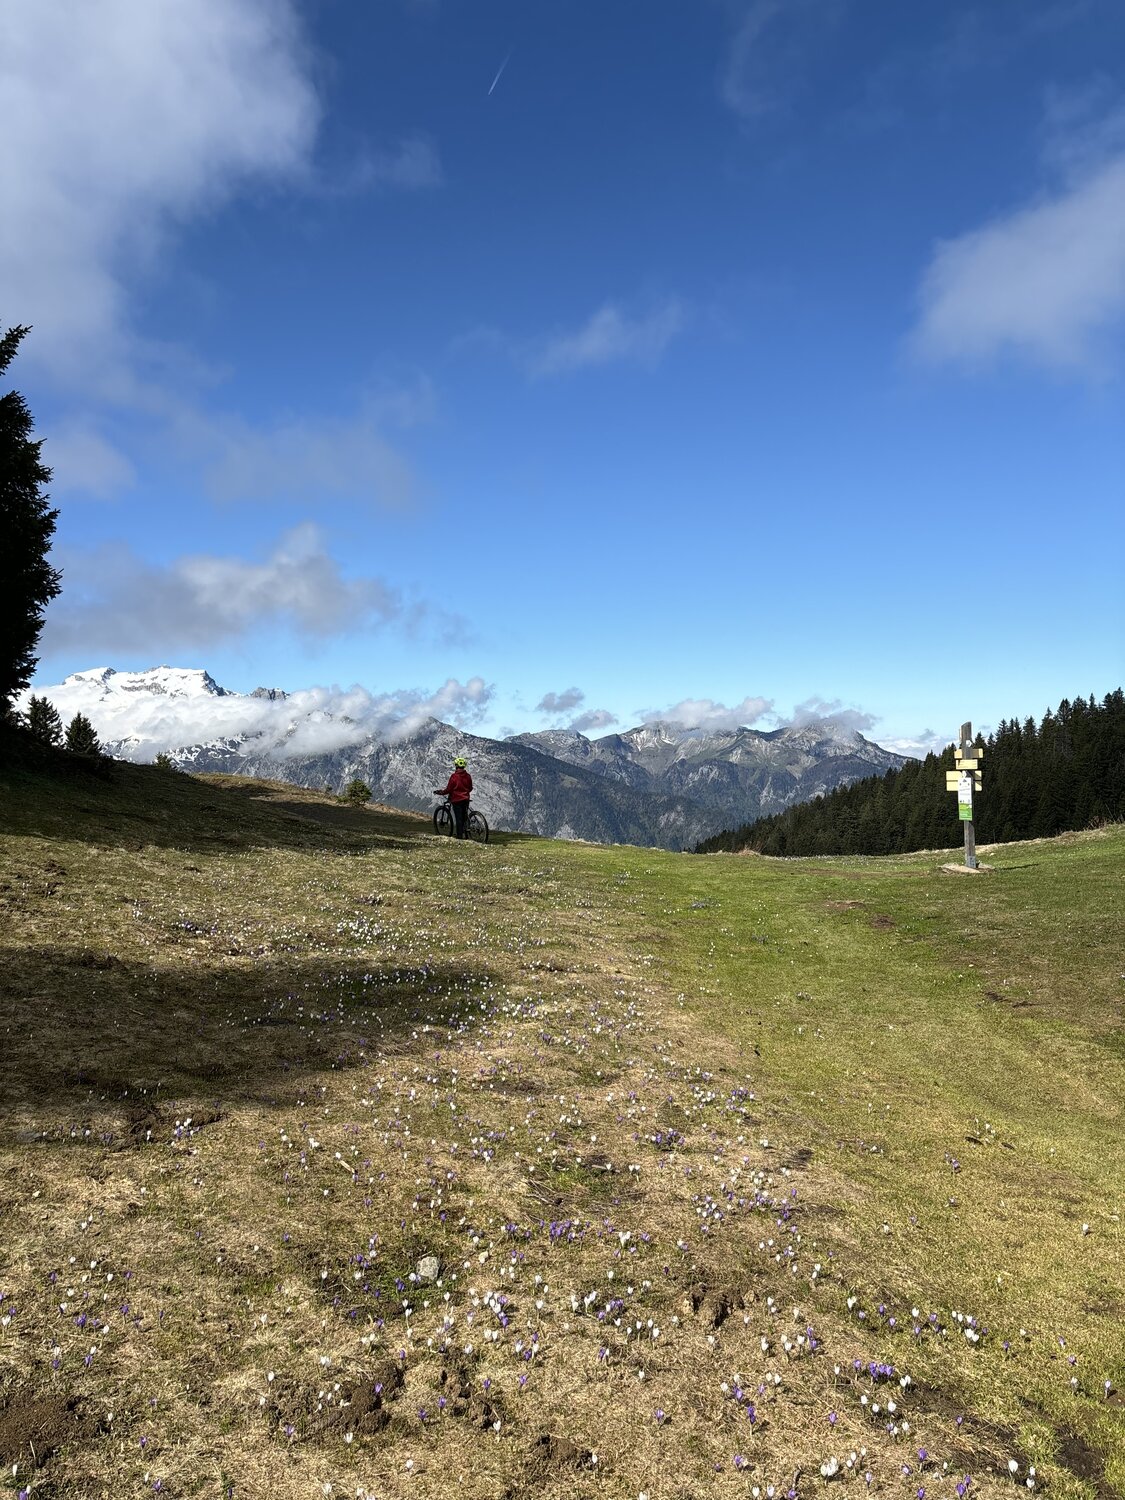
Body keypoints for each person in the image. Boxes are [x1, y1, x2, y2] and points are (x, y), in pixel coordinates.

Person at [434, 756, 473, 839]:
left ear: (456, 766)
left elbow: (449, 789)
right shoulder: (468, 776)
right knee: (464, 817)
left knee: (459, 819)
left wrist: (441, 792)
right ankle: (466, 833)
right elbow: (470, 788)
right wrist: (465, 792)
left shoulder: (454, 776)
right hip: (466, 799)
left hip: (457, 800)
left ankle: (459, 836)